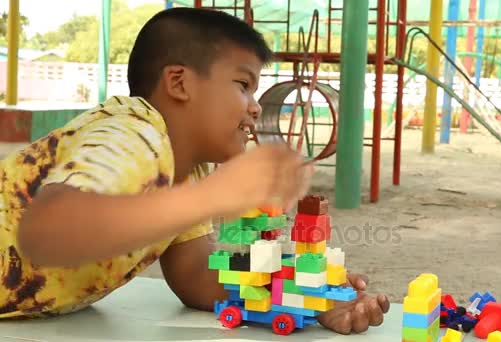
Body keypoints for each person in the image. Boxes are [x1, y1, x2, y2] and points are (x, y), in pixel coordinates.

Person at [0, 7, 389, 334]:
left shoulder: (186, 170)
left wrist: (303, 293)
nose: (255, 107)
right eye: (243, 84)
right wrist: (211, 197)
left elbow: (195, 276)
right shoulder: (132, 133)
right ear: (179, 83)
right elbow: (47, 231)